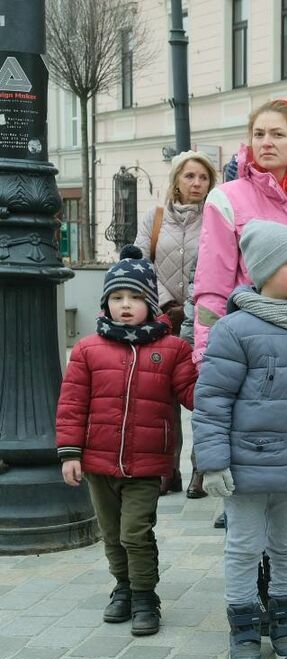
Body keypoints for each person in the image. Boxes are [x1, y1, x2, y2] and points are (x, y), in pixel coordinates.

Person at [192, 98, 287, 612]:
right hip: (246, 348)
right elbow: (210, 287)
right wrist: (207, 359)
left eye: (278, 134)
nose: (266, 142)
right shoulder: (227, 197)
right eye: (258, 133)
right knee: (252, 476)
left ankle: (283, 584)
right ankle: (254, 594)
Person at [192, 221, 287, 659]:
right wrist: (212, 463)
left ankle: (285, 623)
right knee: (244, 547)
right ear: (264, 270)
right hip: (245, 468)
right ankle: (245, 626)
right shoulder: (235, 329)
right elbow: (211, 399)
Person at [56, 246, 198, 636]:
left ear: (151, 303)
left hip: (147, 463)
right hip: (98, 464)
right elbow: (72, 403)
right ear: (105, 302)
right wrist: (70, 453)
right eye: (117, 297)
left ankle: (144, 595)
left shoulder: (172, 349)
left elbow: (192, 395)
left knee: (134, 532)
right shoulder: (87, 349)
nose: (125, 305)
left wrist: (214, 366)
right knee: (111, 532)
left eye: (135, 297)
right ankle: (122, 587)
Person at [135, 150, 217, 498]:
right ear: (176, 180)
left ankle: (201, 468)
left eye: (203, 177)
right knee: (161, 398)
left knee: (201, 394)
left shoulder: (216, 217)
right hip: (161, 319)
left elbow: (219, 263)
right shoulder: (153, 218)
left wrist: (190, 305)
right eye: (190, 176)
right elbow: (139, 264)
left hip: (201, 320)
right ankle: (168, 467)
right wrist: (165, 303)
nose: (197, 183)